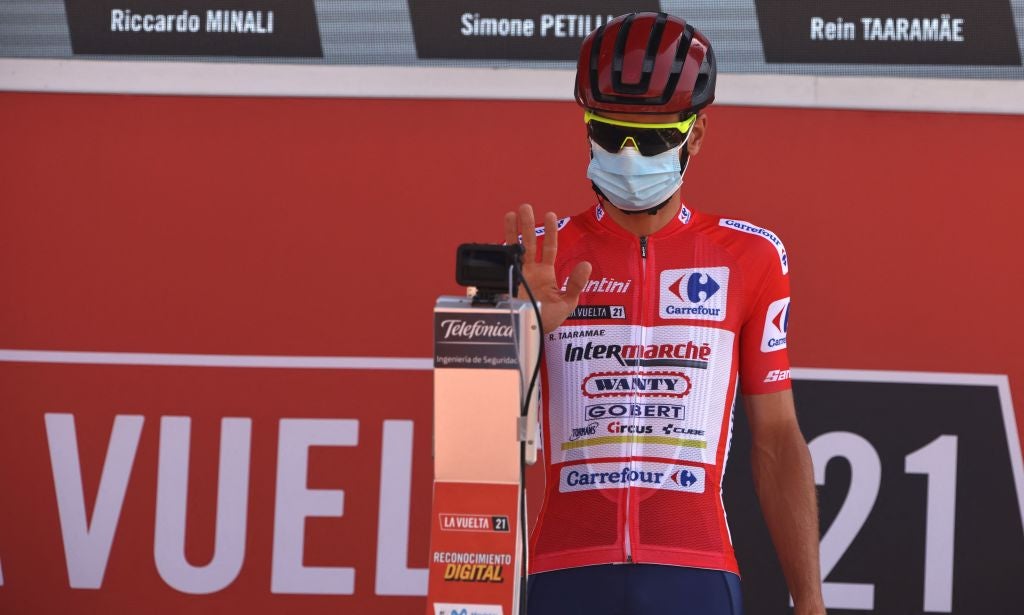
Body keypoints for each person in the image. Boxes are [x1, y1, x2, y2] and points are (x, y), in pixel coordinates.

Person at [502, 12, 826, 615]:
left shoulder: (750, 257)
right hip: (565, 569)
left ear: (696, 135)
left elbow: (777, 439)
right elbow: (484, 440)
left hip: (695, 571)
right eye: (610, 134)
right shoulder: (542, 257)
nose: (629, 156)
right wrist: (521, 335)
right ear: (586, 131)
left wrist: (809, 601)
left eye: (652, 140)